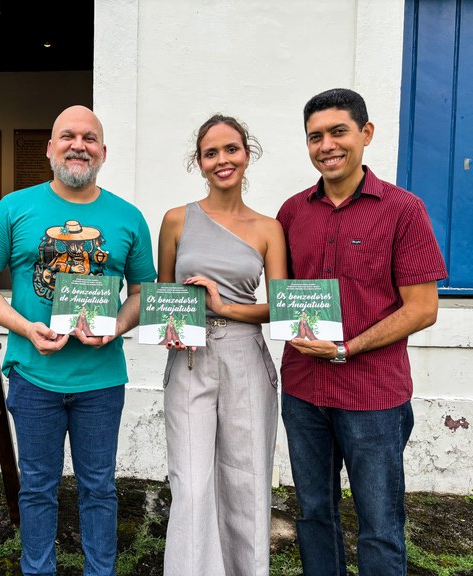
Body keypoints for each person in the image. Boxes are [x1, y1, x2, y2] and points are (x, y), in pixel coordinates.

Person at [0, 105, 156, 576]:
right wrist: (25, 328)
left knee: (99, 488)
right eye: (68, 136)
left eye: (89, 138)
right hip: (34, 376)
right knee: (36, 488)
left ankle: (100, 571)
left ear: (103, 152)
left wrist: (115, 327)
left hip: (100, 379)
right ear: (50, 148)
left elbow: (142, 294)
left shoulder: (128, 217)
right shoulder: (14, 208)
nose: (78, 145)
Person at [276, 88, 447, 576]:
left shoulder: (402, 209)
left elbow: (423, 309)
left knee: (380, 524)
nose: (326, 145)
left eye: (338, 132)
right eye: (315, 136)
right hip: (304, 392)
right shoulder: (292, 212)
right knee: (314, 514)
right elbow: (279, 293)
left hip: (373, 397)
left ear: (366, 133)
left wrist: (345, 348)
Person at [157, 115, 287, 576]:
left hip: (246, 355)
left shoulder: (269, 228)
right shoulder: (176, 220)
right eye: (210, 153)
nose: (222, 160)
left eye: (231, 149)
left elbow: (283, 309)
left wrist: (224, 306)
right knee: (191, 485)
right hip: (189, 358)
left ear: (247, 154)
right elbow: (164, 296)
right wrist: (168, 324)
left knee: (246, 482)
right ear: (199, 162)